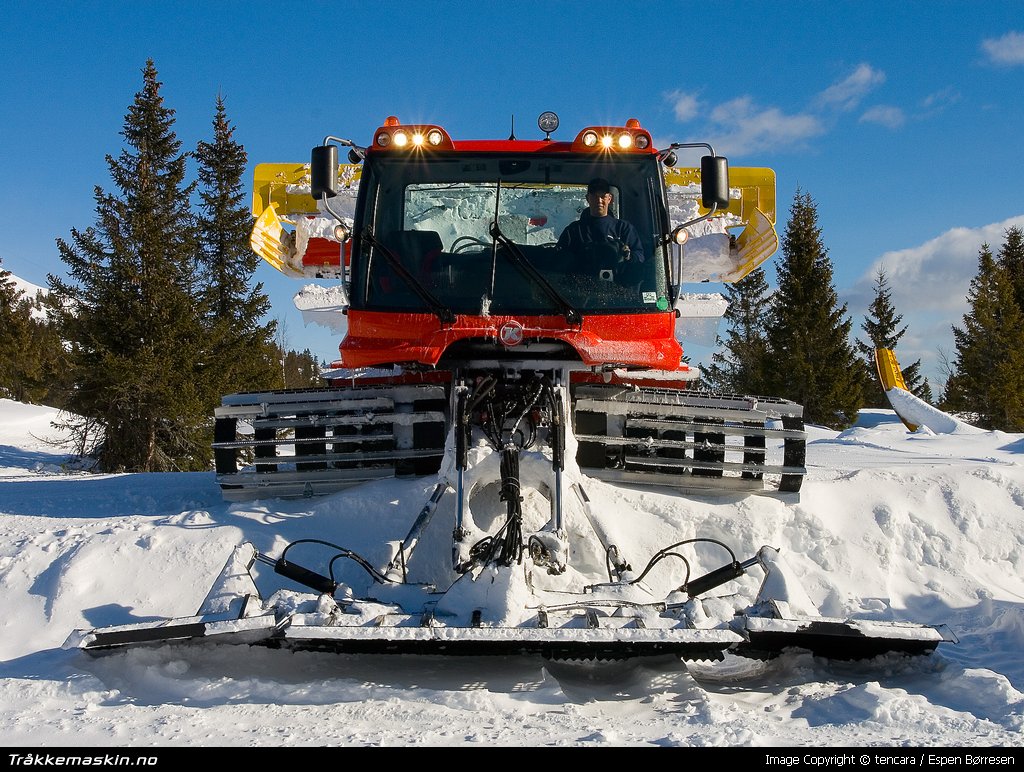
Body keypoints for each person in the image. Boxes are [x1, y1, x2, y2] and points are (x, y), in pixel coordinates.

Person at [556, 178, 645, 269]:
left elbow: (640, 257)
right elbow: (558, 259)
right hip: (580, 280)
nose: (599, 200)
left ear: (609, 198)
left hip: (618, 281)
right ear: (587, 198)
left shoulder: (624, 228)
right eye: (594, 196)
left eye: (603, 196)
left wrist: (628, 256)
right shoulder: (573, 231)